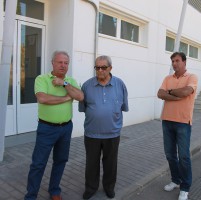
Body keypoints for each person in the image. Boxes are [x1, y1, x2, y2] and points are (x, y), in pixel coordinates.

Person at [25, 51, 84, 200]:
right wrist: (66, 97)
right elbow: (43, 98)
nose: (63, 65)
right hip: (46, 128)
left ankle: (54, 191)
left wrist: (64, 83)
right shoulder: (42, 79)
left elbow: (80, 96)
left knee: (61, 160)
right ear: (52, 63)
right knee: (38, 163)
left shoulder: (70, 81)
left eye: (66, 63)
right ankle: (31, 195)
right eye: (60, 62)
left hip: (65, 128)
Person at [79, 55, 129, 199]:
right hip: (92, 134)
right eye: (97, 67)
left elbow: (123, 106)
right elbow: (83, 108)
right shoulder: (87, 85)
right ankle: (91, 188)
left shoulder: (120, 84)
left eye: (103, 67)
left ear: (110, 68)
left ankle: (109, 187)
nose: (100, 70)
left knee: (111, 164)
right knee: (91, 163)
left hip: (112, 134)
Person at [157, 52, 198, 200]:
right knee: (170, 155)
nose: (174, 63)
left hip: (183, 122)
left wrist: (170, 92)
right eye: (172, 61)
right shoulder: (168, 78)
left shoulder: (192, 77)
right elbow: (159, 94)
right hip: (167, 121)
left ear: (184, 62)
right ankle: (175, 180)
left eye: (177, 61)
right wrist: (176, 95)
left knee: (184, 156)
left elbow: (187, 91)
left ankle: (185, 187)